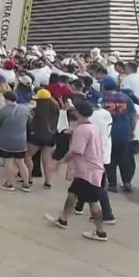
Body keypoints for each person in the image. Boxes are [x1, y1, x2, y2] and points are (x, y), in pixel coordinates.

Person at [43, 101, 109, 242]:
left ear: (78, 113)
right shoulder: (91, 128)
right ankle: (63, 219)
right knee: (72, 193)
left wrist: (61, 162)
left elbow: (76, 151)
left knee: (93, 202)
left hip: (88, 172)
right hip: (91, 170)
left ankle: (100, 231)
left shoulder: (81, 130)